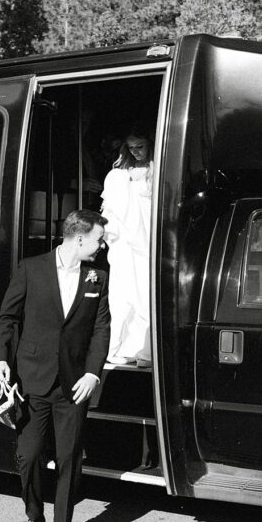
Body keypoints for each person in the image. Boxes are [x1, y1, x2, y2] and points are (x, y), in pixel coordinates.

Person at [0, 209, 110, 522]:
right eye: (98, 239)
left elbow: (101, 327)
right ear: (78, 238)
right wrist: (1, 360)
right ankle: (33, 519)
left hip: (74, 384)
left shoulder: (97, 276)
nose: (102, 245)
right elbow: (7, 318)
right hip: (33, 379)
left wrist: (92, 373)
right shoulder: (31, 268)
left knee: (69, 458)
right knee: (27, 456)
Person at [101, 131, 153, 365]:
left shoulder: (157, 171)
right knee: (121, 295)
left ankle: (144, 349)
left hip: (147, 240)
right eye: (131, 147)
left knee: (144, 294)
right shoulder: (118, 175)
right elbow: (109, 209)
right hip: (123, 242)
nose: (135, 152)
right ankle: (120, 347)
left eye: (139, 146)